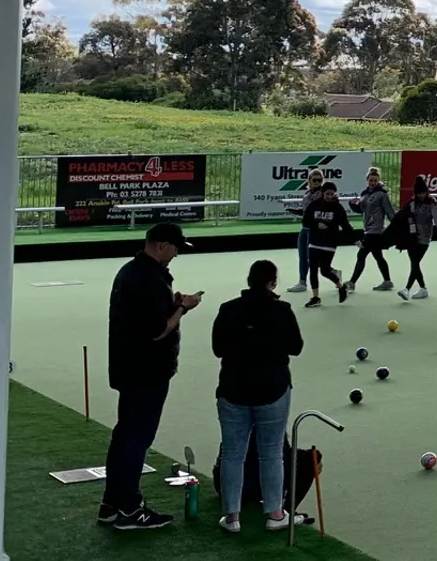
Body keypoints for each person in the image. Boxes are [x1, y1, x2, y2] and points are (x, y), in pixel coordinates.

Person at [101, 223, 201, 530]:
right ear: (161, 245)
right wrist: (183, 307)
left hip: (128, 366)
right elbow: (158, 330)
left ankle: (111, 504)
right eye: (175, 248)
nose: (176, 254)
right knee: (137, 437)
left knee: (124, 434)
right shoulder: (150, 279)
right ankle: (130, 509)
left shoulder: (130, 272)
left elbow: (143, 318)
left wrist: (172, 304)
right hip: (147, 371)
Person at [210, 259, 306, 533]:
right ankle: (275, 514)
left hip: (233, 389)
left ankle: (232, 517)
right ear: (273, 282)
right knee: (272, 452)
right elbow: (296, 347)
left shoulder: (228, 309)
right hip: (272, 389)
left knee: (232, 454)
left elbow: (218, 349)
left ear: (249, 280)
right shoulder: (282, 310)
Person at [345, 167, 396, 294]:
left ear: (379, 180)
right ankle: (387, 281)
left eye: (375, 180)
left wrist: (397, 225)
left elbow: (389, 212)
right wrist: (352, 205)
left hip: (376, 230)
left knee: (361, 255)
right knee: (378, 256)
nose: (372, 182)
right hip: (368, 229)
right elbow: (362, 210)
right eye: (371, 180)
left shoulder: (382, 194)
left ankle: (352, 282)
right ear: (367, 180)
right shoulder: (364, 194)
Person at [300, 182, 352, 307]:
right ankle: (315, 297)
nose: (329, 196)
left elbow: (345, 225)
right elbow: (305, 222)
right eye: (327, 194)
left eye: (331, 194)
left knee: (324, 270)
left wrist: (355, 239)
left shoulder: (338, 208)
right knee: (313, 270)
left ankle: (341, 286)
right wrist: (316, 224)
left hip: (329, 243)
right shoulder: (314, 205)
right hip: (314, 242)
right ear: (323, 193)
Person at [398, 175, 437, 301]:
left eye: (423, 192)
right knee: (414, 263)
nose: (421, 195)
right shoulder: (412, 203)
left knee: (415, 262)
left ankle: (407, 289)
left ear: (427, 191)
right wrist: (408, 219)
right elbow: (403, 215)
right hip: (411, 237)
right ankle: (423, 288)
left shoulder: (431, 203)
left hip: (424, 238)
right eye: (419, 193)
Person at [284, 168, 325, 293]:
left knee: (313, 259)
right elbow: (305, 211)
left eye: (319, 180)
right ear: (309, 180)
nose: (317, 182)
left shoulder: (322, 194)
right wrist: (295, 211)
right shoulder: (307, 194)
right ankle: (302, 282)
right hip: (304, 228)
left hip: (315, 230)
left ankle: (332, 272)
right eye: (314, 180)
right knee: (303, 256)